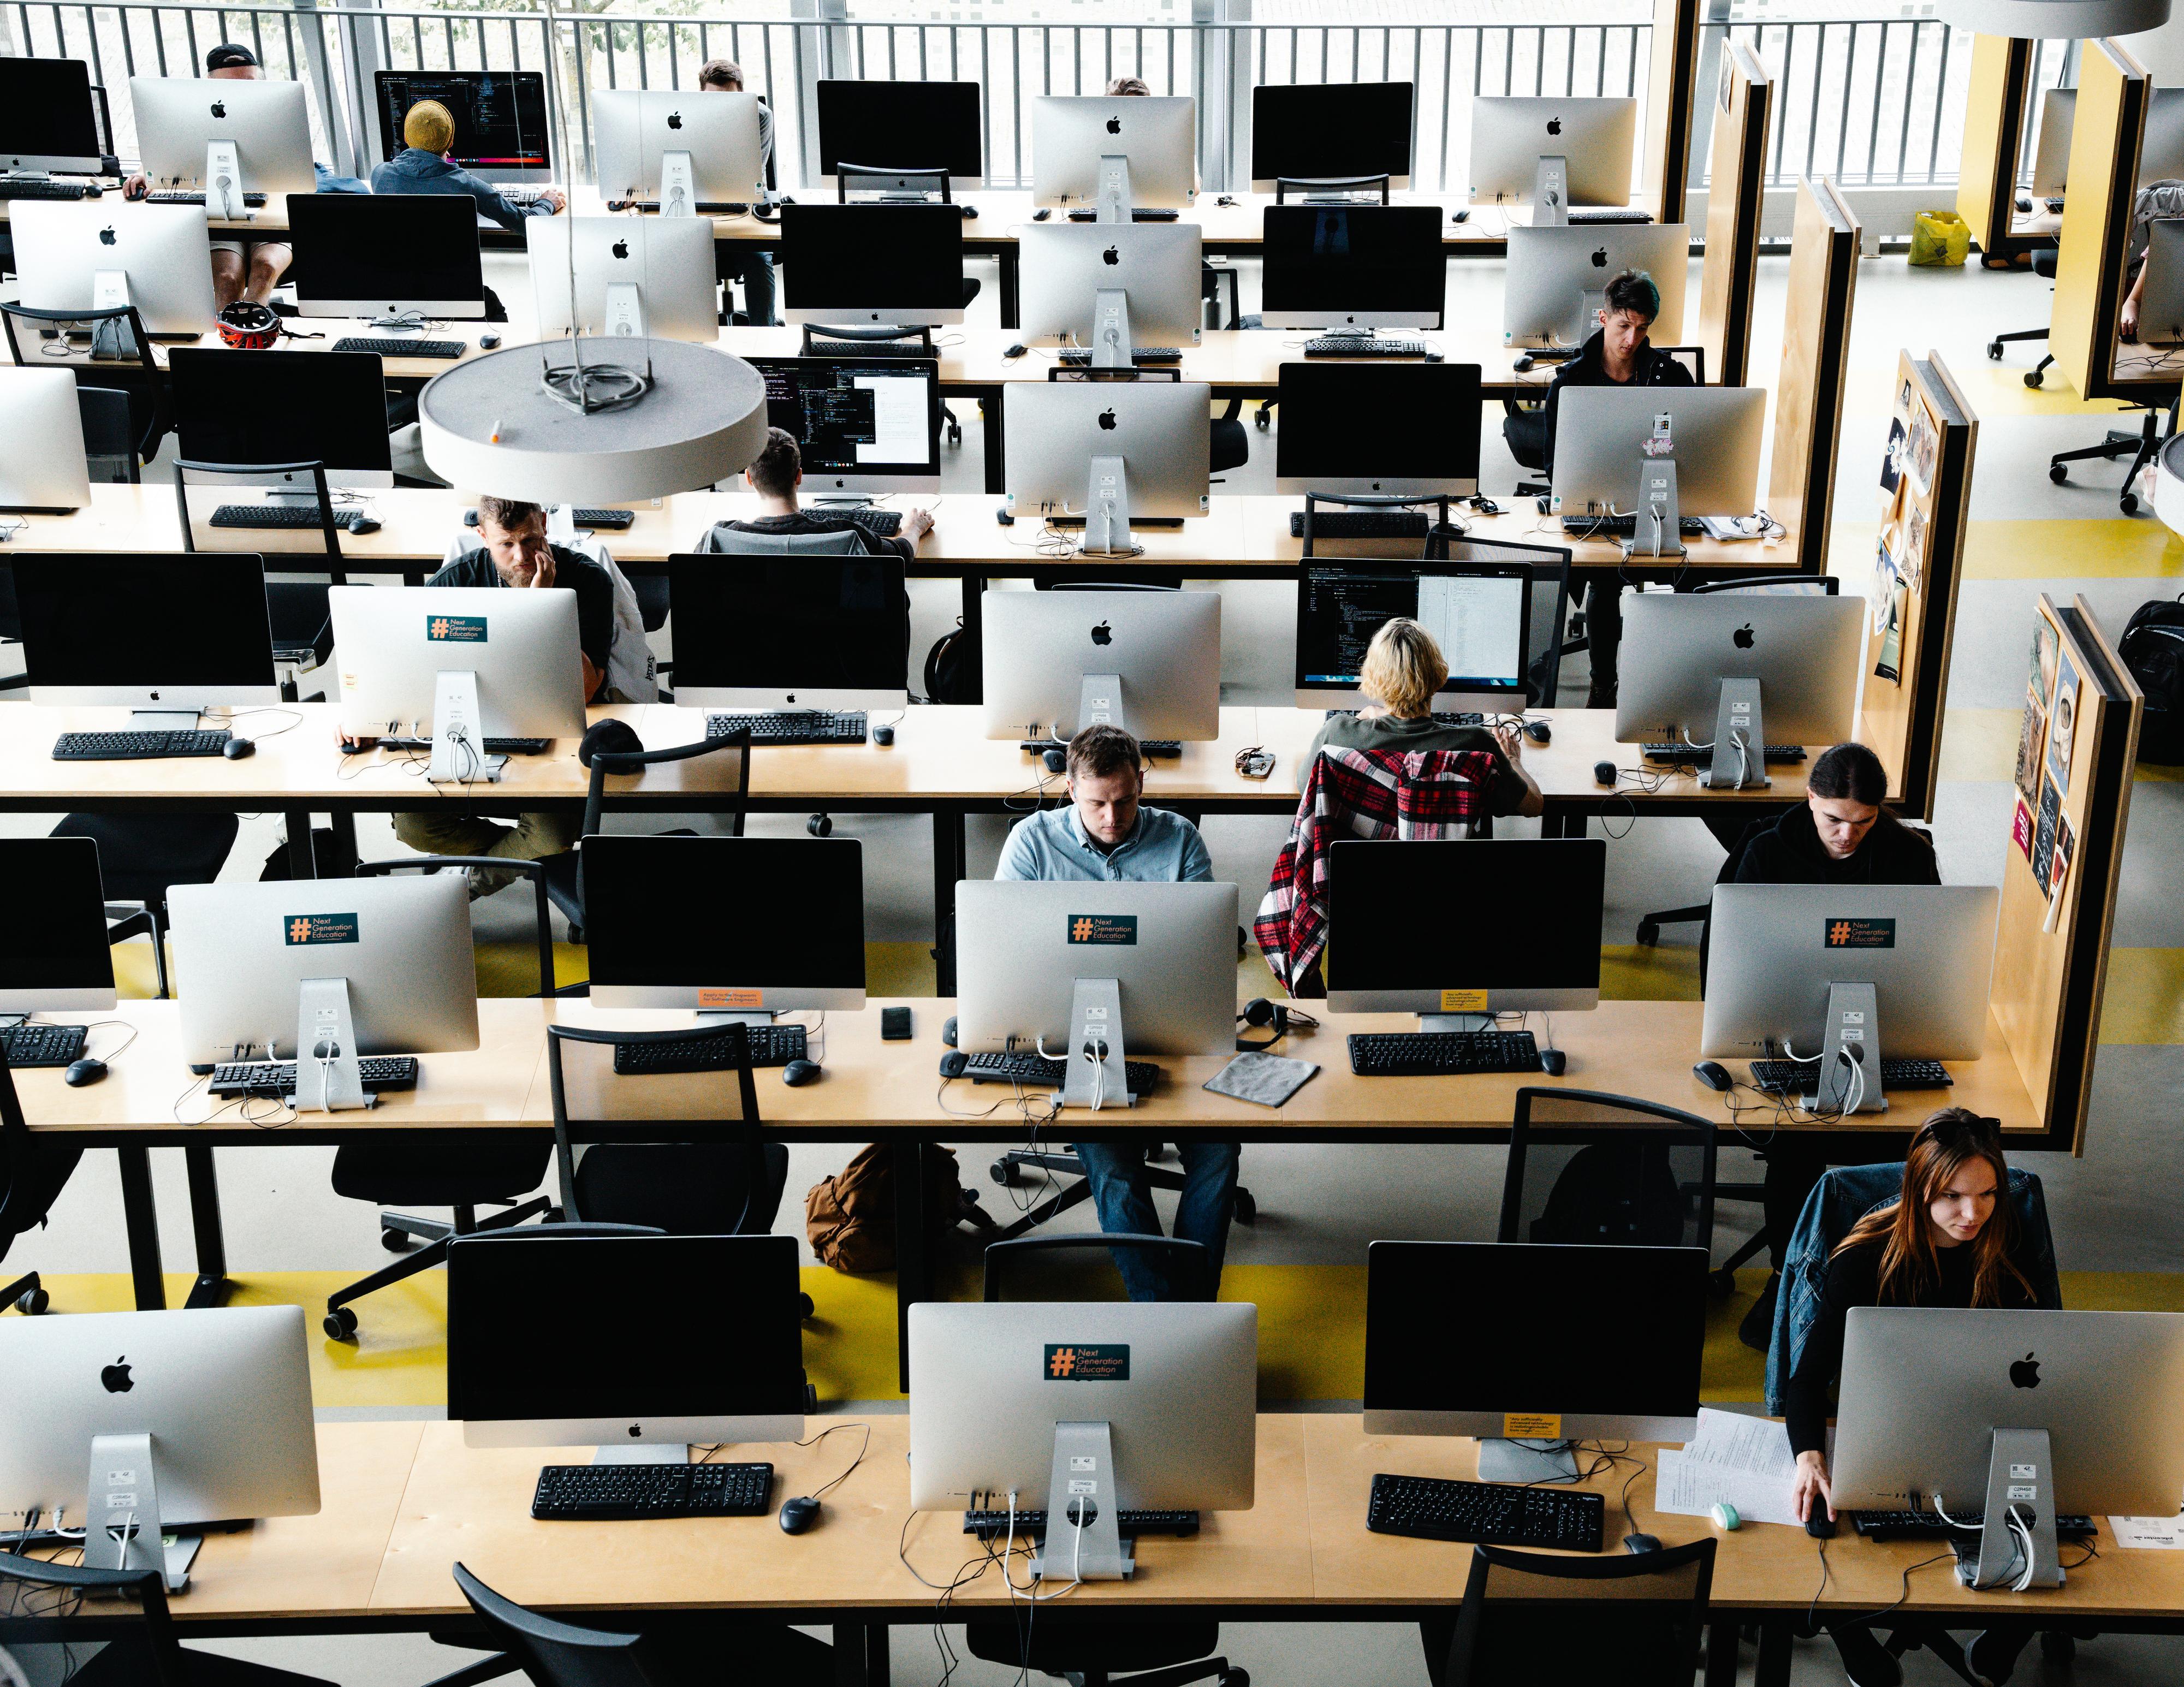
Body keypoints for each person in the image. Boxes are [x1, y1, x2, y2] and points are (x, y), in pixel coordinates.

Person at [1787, 1109, 2041, 1687]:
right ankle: (1854, 1641)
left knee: (2057, 1526)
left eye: (1987, 1195)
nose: (1972, 1214)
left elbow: (2047, 1361)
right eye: (1952, 1196)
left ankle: (1996, 1649)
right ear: (1919, 1187)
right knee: (1824, 1525)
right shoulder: (1862, 1258)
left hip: (1987, 1428)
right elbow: (1805, 1381)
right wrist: (1808, 1456)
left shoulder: (2007, 1247)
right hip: (1881, 1432)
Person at [995, 723, 1232, 1303]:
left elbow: (1207, 952)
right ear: (1070, 786)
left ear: (1141, 784)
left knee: (1221, 1150)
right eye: (1097, 802)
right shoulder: (1031, 844)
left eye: (1125, 800)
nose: (1111, 816)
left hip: (1173, 1030)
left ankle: (1189, 1314)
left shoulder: (1178, 841)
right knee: (1115, 1166)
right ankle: (1165, 1319)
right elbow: (1001, 952)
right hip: (1072, 1035)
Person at [1732, 741, 1942, 1351]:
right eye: (1833, 820)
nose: (1847, 836)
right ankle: (1787, 1276)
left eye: (1862, 822)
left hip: (1886, 1029)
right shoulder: (1767, 851)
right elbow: (1731, 956)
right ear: (1810, 800)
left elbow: (1931, 953)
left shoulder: (1907, 854)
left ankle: (1881, 1276)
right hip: (1787, 1034)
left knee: (1900, 1148)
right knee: (1797, 1146)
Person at [371, 497, 614, 894]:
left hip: (553, 731)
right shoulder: (454, 583)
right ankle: (507, 856)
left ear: (545, 525)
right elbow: (404, 664)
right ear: (482, 537)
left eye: (532, 540)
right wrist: (364, 719)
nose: (522, 556)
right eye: (507, 545)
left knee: (552, 834)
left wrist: (542, 610)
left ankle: (465, 883)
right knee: (414, 826)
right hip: (469, 725)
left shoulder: (588, 580)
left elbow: (585, 689)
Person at [1535, 269, 1695, 710]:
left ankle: (1683, 678)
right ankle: (1604, 683)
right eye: (1624, 326)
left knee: (1694, 572)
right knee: (1605, 586)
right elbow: (1555, 468)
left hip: (1659, 503)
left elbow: (1696, 444)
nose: (1632, 339)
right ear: (1603, 319)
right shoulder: (1570, 382)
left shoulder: (1671, 377)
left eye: (1642, 329)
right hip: (1596, 507)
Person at [1304, 619, 1544, 818]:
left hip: (1357, 872)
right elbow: (1533, 806)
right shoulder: (1477, 745)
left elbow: (1304, 786)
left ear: (1370, 677)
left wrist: (1364, 720)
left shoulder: (1335, 734)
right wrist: (1512, 759)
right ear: (1440, 675)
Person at [121, 44, 299, 308]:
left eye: (249, 83)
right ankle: (228, 344)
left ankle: (249, 338)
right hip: (219, 212)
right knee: (227, 279)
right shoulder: (193, 117)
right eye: (229, 85)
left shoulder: (277, 113)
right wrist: (142, 173)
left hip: (269, 212)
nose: (240, 92)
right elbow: (170, 152)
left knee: (266, 267)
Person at [695, 427, 933, 559]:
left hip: (750, 648)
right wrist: (914, 528)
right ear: (799, 476)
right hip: (832, 647)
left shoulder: (719, 538)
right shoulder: (847, 535)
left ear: (749, 479)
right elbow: (901, 556)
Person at [371, 99, 566, 231]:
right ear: (451, 143)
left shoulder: (380, 175)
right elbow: (526, 223)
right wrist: (547, 202)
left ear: (405, 138)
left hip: (399, 289)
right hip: (455, 287)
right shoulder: (467, 187)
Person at [697, 58, 777, 325]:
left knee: (758, 261)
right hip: (699, 214)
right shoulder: (683, 118)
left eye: (729, 100)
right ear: (701, 95)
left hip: (742, 213)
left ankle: (764, 342)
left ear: (742, 95)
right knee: (682, 260)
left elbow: (751, 175)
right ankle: (694, 339)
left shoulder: (760, 116)